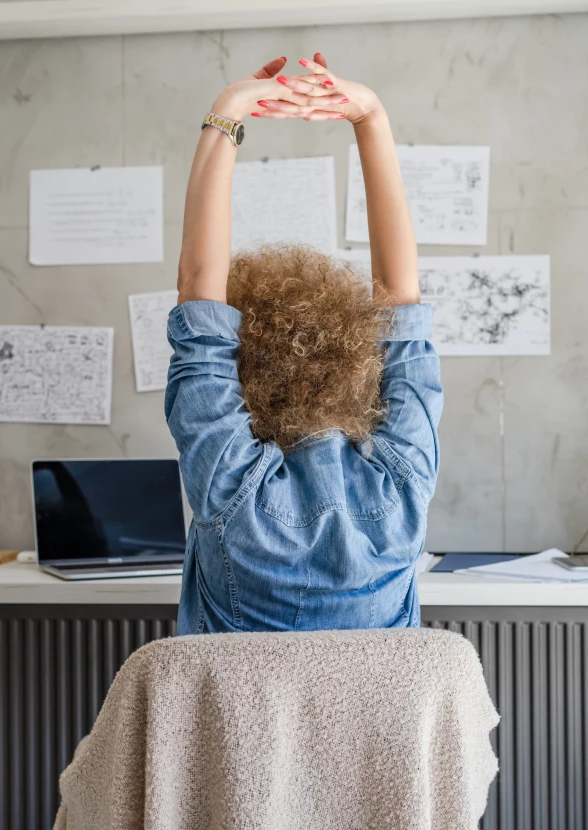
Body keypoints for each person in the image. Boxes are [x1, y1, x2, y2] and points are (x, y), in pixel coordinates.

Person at [165, 54, 441, 634]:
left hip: (239, 730)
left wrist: (228, 111)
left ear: (240, 370)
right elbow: (401, 301)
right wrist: (370, 117)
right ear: (360, 359)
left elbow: (198, 290)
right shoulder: (403, 487)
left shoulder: (229, 487)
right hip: (374, 730)